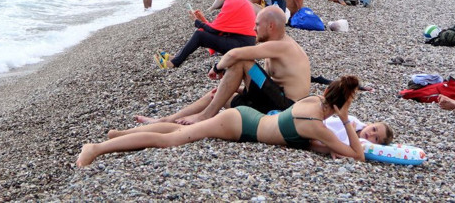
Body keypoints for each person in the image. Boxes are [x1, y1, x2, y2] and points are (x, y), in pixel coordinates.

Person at [76, 75, 366, 167]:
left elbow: (308, 142)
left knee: (179, 129)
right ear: (342, 105)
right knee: (170, 140)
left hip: (245, 120)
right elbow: (358, 155)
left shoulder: (313, 100)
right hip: (240, 126)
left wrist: (327, 143)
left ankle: (122, 135)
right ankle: (96, 148)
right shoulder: (317, 123)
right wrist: (346, 122)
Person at [140, 6, 311, 126]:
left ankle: (205, 116)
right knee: (218, 94)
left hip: (286, 108)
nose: (253, 28)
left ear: (271, 26)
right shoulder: (277, 44)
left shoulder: (282, 46)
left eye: (257, 24)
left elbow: (234, 54)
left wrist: (217, 68)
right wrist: (235, 88)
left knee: (243, 61)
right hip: (275, 100)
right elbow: (267, 86)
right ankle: (166, 120)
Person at [158, 0, 256, 69]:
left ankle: (173, 63)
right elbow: (218, 28)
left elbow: (215, 30)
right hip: (243, 41)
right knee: (201, 31)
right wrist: (203, 20)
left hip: (242, 45)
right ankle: (176, 58)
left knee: (199, 35)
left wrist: (197, 21)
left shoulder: (232, 2)